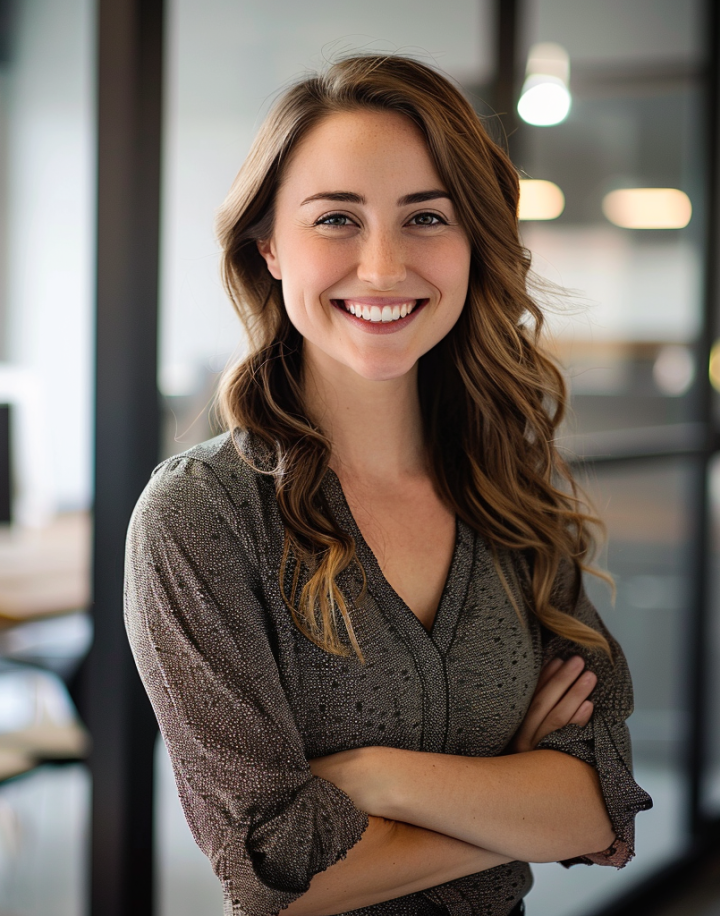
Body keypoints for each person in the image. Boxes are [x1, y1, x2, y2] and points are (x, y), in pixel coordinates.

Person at [125, 54, 652, 916]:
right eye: (336, 218)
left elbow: (602, 802)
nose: (380, 267)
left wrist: (379, 780)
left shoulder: (509, 493)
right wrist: (517, 800)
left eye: (425, 218)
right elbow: (276, 877)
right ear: (269, 248)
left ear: (472, 244)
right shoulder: (200, 518)